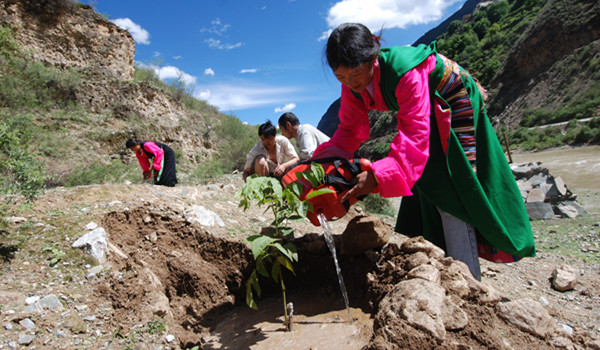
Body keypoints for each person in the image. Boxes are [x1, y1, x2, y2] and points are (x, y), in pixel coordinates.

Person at [314, 23, 535, 280]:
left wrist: (376, 177)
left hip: (453, 98)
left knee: (451, 183)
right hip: (424, 110)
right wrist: (310, 165)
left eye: (355, 73)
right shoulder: (352, 83)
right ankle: (442, 265)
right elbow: (349, 132)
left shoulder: (405, 71)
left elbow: (414, 139)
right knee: (425, 180)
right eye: (341, 77)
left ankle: (468, 278)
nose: (352, 83)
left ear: (373, 58)